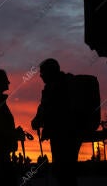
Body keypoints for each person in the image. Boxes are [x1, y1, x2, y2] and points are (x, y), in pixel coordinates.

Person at [31, 58, 82, 186]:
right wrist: (38, 119)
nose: (41, 76)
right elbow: (44, 107)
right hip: (63, 134)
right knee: (64, 172)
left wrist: (39, 120)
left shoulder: (61, 86)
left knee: (64, 172)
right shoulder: (54, 86)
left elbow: (53, 109)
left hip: (65, 135)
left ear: (50, 72)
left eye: (42, 73)